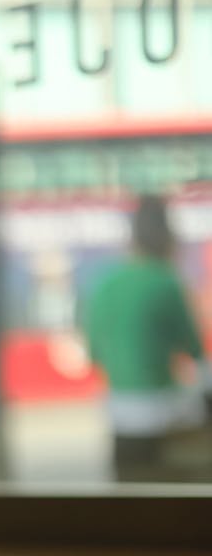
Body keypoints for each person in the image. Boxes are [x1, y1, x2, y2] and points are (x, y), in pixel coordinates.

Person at [84, 193, 211, 481]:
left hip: (118, 414)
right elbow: (195, 352)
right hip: (165, 420)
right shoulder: (166, 281)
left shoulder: (105, 283)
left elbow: (93, 354)